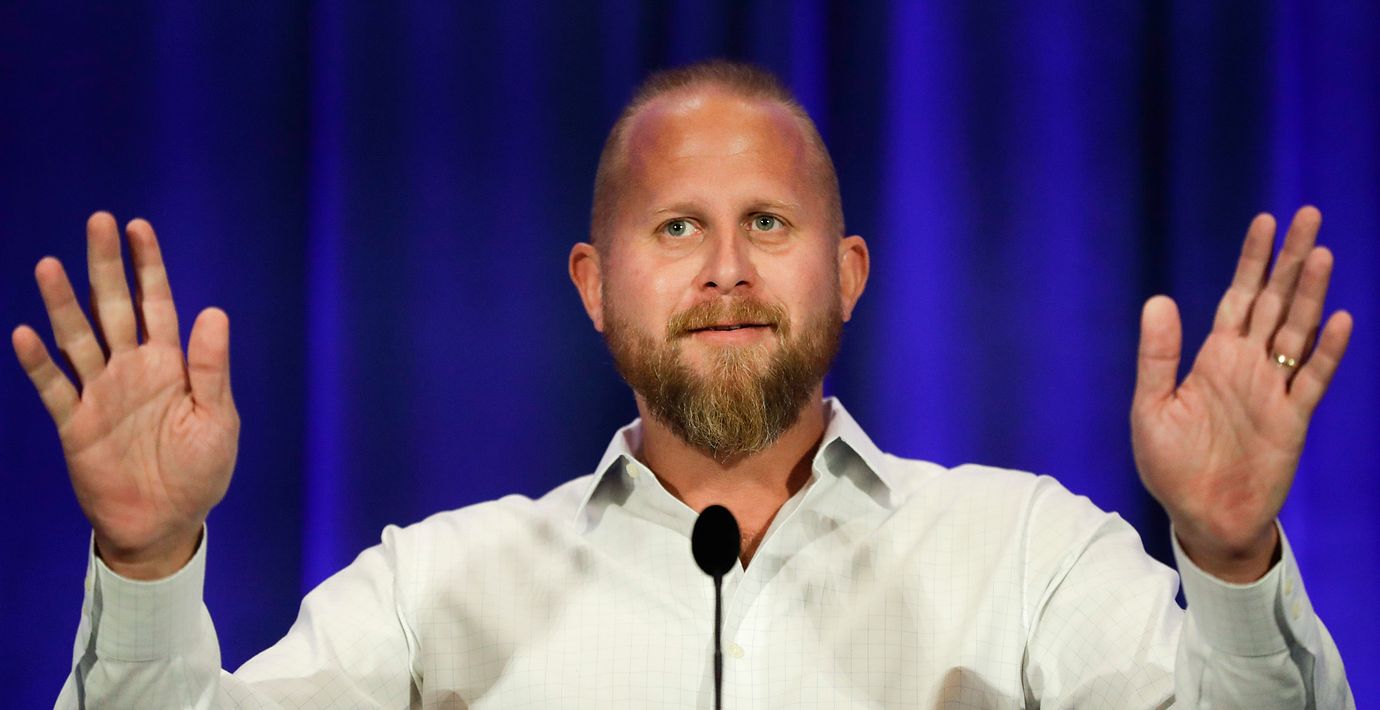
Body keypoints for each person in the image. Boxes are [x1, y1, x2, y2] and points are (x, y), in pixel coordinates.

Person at [19, 60, 1353, 708]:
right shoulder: (438, 587)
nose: (726, 269)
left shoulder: (1029, 553)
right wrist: (146, 561)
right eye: (677, 228)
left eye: (768, 223)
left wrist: (1232, 561)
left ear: (848, 272)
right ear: (594, 284)